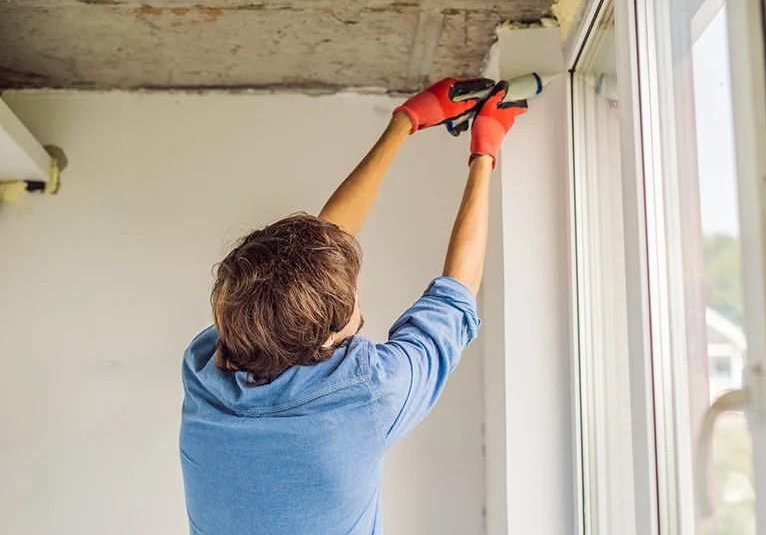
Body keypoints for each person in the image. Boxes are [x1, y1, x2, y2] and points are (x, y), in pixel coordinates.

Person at [179, 77, 527, 535]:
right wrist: (485, 153)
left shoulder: (207, 371)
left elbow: (313, 257)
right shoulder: (365, 394)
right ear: (325, 336)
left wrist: (408, 121)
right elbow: (454, 299)